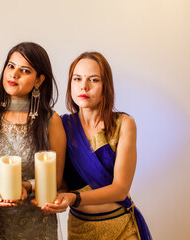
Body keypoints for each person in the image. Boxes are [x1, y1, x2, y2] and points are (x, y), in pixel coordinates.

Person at [41, 52, 152, 239]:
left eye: (93, 80)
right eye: (77, 79)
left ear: (105, 86)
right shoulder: (61, 125)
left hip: (121, 227)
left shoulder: (123, 124)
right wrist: (58, 197)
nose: (84, 86)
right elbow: (62, 183)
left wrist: (73, 198)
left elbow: (120, 189)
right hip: (79, 229)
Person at [0, 42, 66, 240]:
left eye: (25, 70)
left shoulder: (50, 121)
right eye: (10, 66)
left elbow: (56, 180)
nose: (14, 75)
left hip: (36, 225)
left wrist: (26, 186)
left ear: (39, 80)